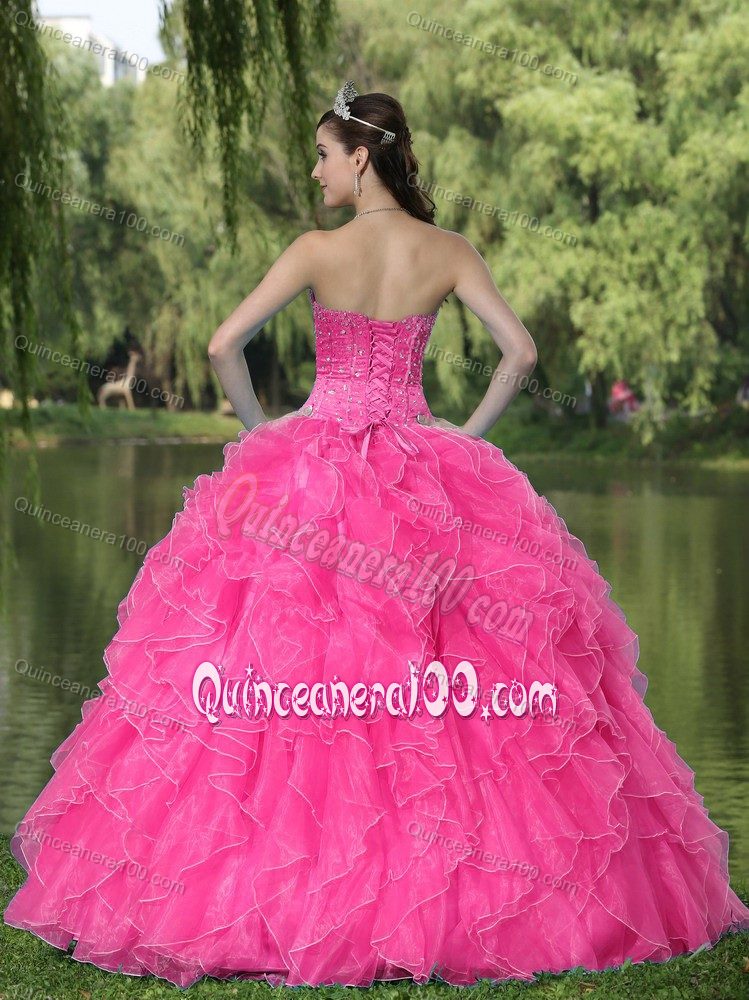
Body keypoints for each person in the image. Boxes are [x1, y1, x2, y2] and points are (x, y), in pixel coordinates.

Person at [4, 80, 748, 990]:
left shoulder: (317, 251)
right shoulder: (447, 250)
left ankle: (282, 891)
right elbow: (519, 353)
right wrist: (465, 440)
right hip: (421, 464)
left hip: (312, 469)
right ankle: (455, 893)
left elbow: (221, 345)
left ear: (361, 158)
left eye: (323, 155)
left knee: (284, 679)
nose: (315, 171)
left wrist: (260, 435)